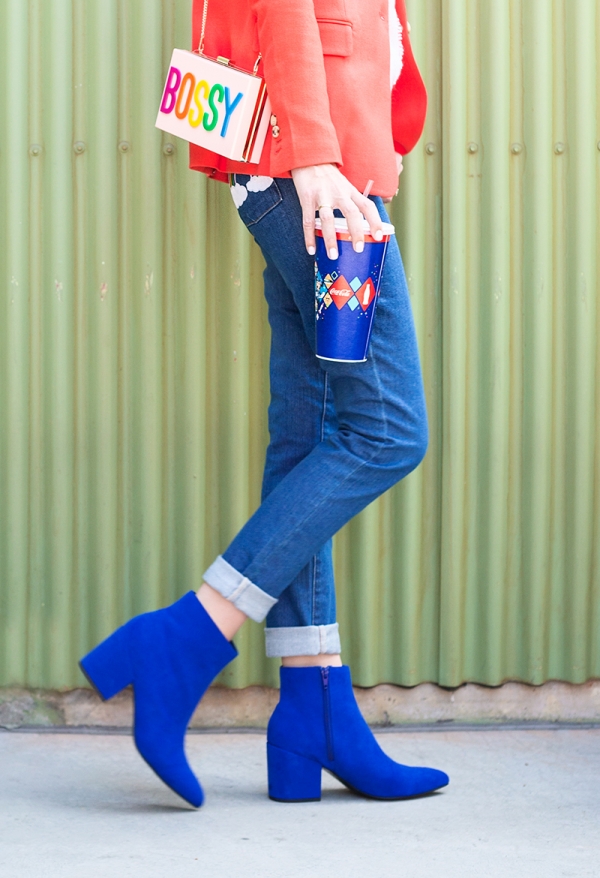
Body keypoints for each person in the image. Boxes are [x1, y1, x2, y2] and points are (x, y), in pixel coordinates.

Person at [79, 0, 449, 807]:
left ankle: (314, 712)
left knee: (309, 433)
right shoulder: (314, 162)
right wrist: (318, 155)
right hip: (312, 164)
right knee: (388, 429)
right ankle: (185, 634)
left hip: (301, 159)